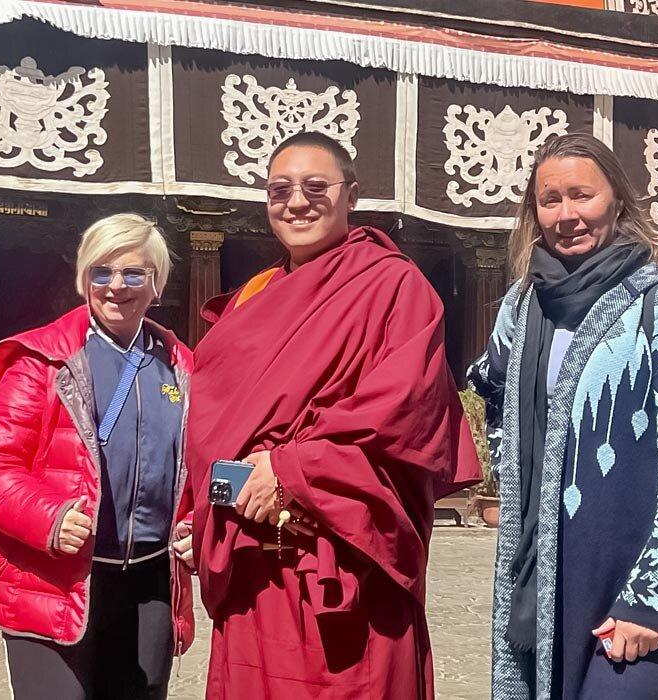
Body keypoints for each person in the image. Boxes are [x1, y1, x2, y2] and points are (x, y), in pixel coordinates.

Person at [177, 131, 482, 699]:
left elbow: (402, 415)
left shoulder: (393, 285)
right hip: (254, 570)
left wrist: (291, 470)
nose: (297, 202)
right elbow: (213, 420)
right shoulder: (251, 298)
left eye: (316, 187)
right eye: (279, 189)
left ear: (352, 195)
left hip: (350, 565)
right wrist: (203, 508)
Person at [469, 133, 658, 700]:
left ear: (617, 201)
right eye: (550, 199)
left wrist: (655, 595)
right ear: (533, 211)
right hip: (546, 571)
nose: (566, 214)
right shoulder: (523, 305)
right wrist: (521, 480)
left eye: (582, 196)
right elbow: (494, 391)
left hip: (637, 575)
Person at [0, 214, 195, 700]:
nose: (115, 286)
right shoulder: (43, 361)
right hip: (56, 580)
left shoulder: (181, 365)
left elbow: (196, 468)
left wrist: (199, 528)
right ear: (83, 278)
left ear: (157, 282)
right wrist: (50, 518)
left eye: (133, 273)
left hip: (150, 583)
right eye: (100, 272)